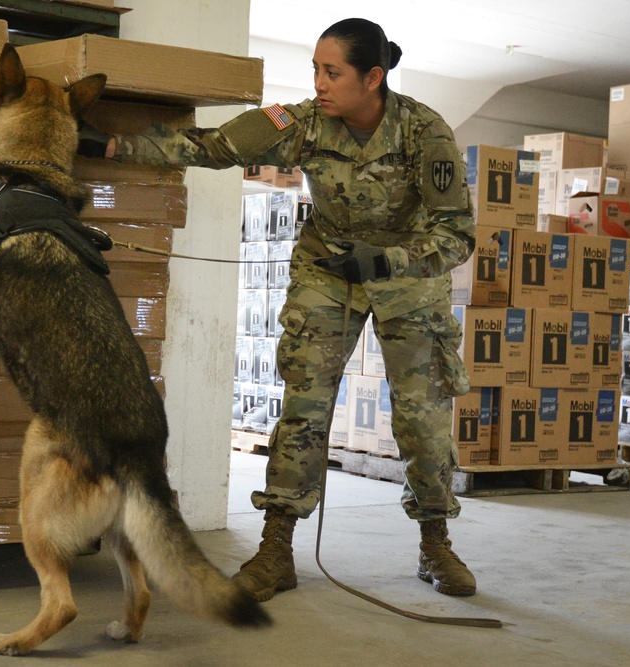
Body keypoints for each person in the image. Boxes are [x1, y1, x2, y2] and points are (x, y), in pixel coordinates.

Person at [78, 18, 477, 602]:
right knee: (303, 410)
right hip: (327, 272)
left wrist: (385, 261)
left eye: (331, 71)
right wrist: (114, 146)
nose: (317, 82)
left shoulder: (425, 133)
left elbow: (456, 236)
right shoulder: (305, 123)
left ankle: (436, 544)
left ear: (373, 77)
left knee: (421, 418)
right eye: (315, 68)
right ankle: (276, 550)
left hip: (405, 276)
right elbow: (212, 147)